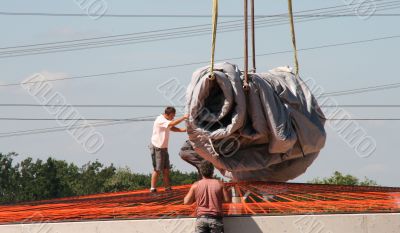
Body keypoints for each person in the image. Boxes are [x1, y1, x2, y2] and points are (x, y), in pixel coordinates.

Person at [184, 161, 231, 233]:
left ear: (201, 172)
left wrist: (196, 198)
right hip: (215, 219)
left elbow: (186, 202)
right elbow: (228, 200)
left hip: (201, 219)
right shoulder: (219, 184)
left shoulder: (196, 185)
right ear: (212, 171)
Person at [149, 106, 188, 192]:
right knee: (158, 169)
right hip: (157, 147)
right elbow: (171, 124)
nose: (173, 118)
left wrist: (182, 130)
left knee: (166, 169)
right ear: (169, 114)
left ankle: (167, 188)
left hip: (164, 148)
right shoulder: (160, 120)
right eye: (173, 116)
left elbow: (171, 127)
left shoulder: (166, 121)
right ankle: (152, 188)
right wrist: (184, 118)